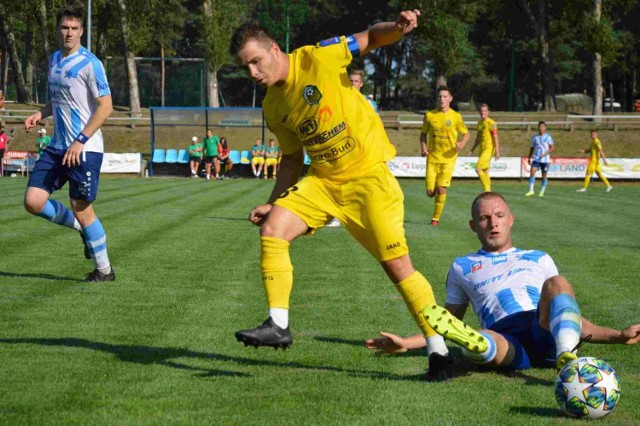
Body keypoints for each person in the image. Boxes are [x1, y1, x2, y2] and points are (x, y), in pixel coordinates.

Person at [230, 10, 454, 381]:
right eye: (245, 67)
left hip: (369, 181)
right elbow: (290, 158)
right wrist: (274, 201)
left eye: (256, 61)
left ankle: (439, 351)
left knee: (399, 270)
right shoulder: (272, 105)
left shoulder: (318, 57)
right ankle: (279, 324)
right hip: (323, 182)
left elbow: (371, 36)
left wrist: (397, 29)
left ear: (274, 48)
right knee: (273, 228)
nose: (253, 73)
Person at [366, 192, 640, 371]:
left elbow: (568, 317)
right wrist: (406, 343)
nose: (493, 223)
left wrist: (618, 335)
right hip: (505, 339)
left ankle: (566, 355)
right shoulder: (461, 266)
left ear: (511, 220)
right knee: (480, 339)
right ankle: (476, 347)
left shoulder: (539, 258)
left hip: (540, 326)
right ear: (473, 226)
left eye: (499, 216)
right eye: (484, 218)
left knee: (558, 283)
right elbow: (445, 321)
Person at [23, 2, 115, 282]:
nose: (69, 33)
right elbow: (58, 100)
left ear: (82, 31)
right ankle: (80, 228)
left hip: (84, 148)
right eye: (65, 27)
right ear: (57, 29)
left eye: (75, 28)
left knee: (82, 206)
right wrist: (41, 112)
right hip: (57, 146)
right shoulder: (54, 59)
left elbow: (106, 106)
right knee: (33, 201)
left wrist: (80, 140)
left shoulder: (91, 63)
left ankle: (104, 271)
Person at [420, 86, 470, 226]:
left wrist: (462, 143)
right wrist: (423, 146)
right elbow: (423, 134)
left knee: (442, 188)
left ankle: (435, 218)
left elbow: (467, 134)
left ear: (450, 99)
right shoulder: (430, 115)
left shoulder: (456, 117)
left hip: (448, 159)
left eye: (445, 96)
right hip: (433, 158)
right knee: (430, 192)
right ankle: (435, 190)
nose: (442, 99)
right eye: (440, 96)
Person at [469, 104, 500, 192]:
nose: (483, 113)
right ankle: (488, 190)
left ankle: (487, 190)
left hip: (489, 148)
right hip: (482, 149)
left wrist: (497, 151)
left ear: (488, 112)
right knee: (485, 170)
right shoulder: (479, 123)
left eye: (485, 111)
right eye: (481, 111)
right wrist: (472, 149)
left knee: (478, 168)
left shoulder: (492, 123)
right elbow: (478, 138)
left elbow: (495, 137)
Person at [525, 121, 554, 197]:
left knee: (544, 176)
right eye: (540, 126)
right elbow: (532, 148)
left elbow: (552, 148)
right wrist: (529, 157)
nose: (541, 128)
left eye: (543, 126)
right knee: (532, 171)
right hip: (536, 158)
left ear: (545, 128)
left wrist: (545, 154)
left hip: (545, 160)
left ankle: (542, 191)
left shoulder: (548, 137)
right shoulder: (535, 138)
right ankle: (531, 191)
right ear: (538, 127)